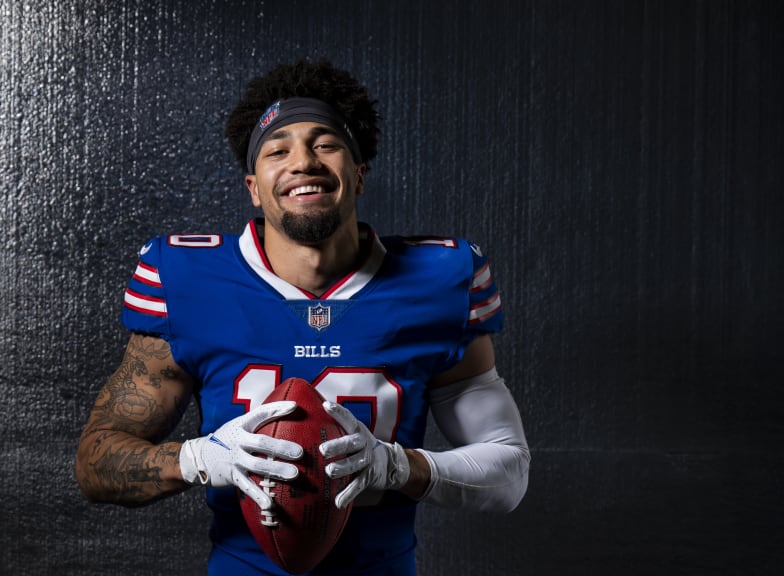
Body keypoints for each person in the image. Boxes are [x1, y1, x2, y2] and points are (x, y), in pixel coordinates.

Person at [76, 59, 530, 575]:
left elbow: (508, 473)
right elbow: (97, 462)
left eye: (325, 143)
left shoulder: (439, 279)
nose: (303, 162)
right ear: (254, 186)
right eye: (278, 150)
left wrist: (397, 465)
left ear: (358, 175)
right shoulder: (187, 278)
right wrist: (201, 459)